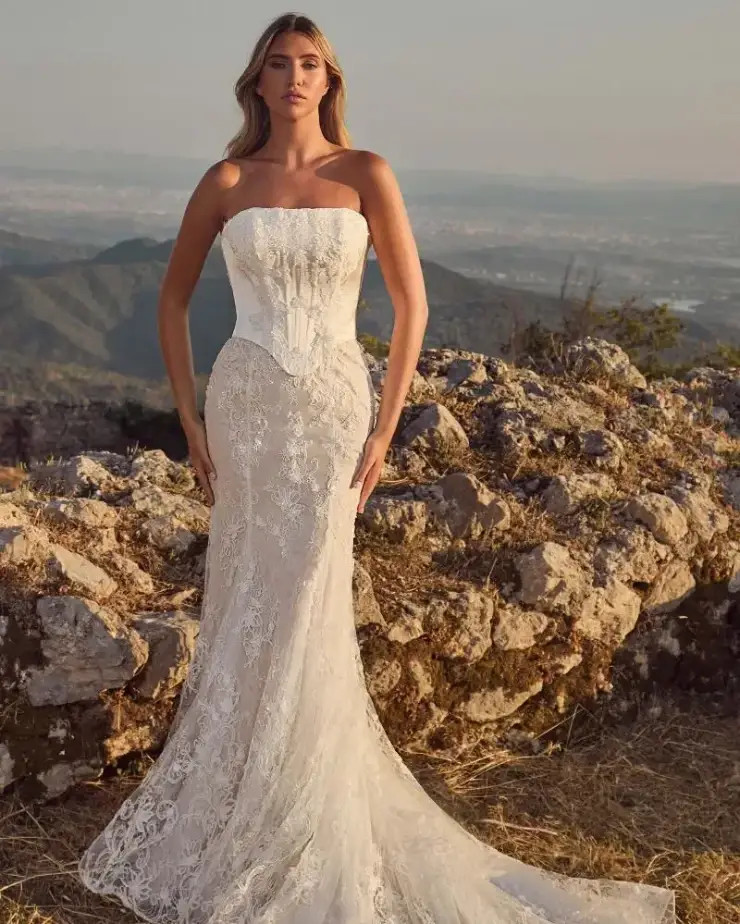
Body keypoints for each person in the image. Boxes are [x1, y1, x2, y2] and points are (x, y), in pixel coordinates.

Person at [78, 12, 676, 924]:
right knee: (248, 598)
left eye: (308, 63)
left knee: (310, 596)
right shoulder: (227, 179)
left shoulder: (366, 175)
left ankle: (305, 810)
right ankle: (240, 802)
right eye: (277, 63)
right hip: (246, 405)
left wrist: (384, 429)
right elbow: (172, 294)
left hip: (327, 408)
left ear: (328, 78)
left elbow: (410, 307)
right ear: (257, 80)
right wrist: (190, 416)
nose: (292, 77)